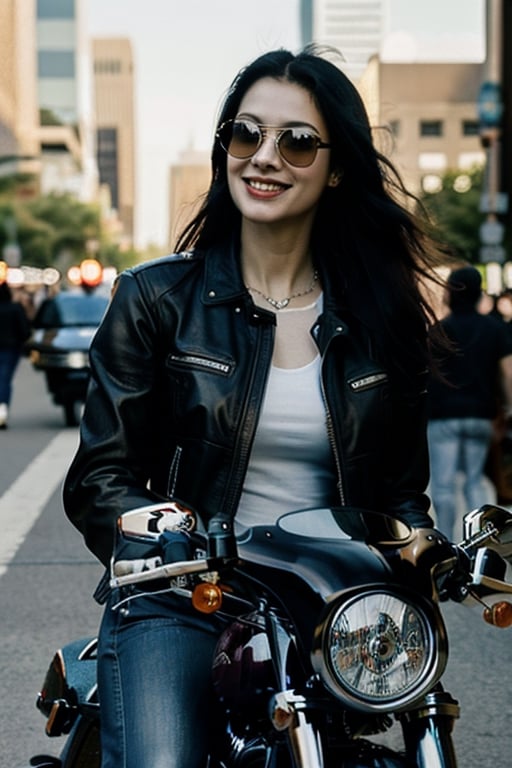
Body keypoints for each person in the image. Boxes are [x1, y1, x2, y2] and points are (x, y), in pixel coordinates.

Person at [63, 46, 451, 768]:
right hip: (180, 594)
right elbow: (100, 477)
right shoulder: (155, 299)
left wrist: (424, 545)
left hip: (333, 602)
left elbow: (401, 490)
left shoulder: (381, 312)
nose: (264, 157)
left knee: (424, 718)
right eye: (247, 134)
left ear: (337, 167)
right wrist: (165, 531)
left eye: (296, 141)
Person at [427, 265, 512, 538]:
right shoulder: (494, 328)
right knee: (474, 480)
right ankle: (478, 539)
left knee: (443, 484)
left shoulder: (439, 330)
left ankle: (445, 539)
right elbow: (507, 372)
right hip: (480, 414)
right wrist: (508, 410)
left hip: (442, 416)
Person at [0, 281, 31, 429]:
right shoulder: (15, 308)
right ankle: (2, 410)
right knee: (4, 379)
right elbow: (25, 330)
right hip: (10, 348)